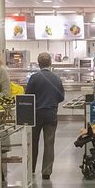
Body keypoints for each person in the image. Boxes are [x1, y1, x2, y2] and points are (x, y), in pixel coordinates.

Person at [25, 52, 65, 180]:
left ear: (38, 63)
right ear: (50, 63)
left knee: (33, 142)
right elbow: (61, 97)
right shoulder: (56, 78)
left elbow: (27, 97)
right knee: (49, 143)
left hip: (35, 115)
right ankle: (46, 172)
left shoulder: (34, 78)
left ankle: (31, 169)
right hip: (51, 114)